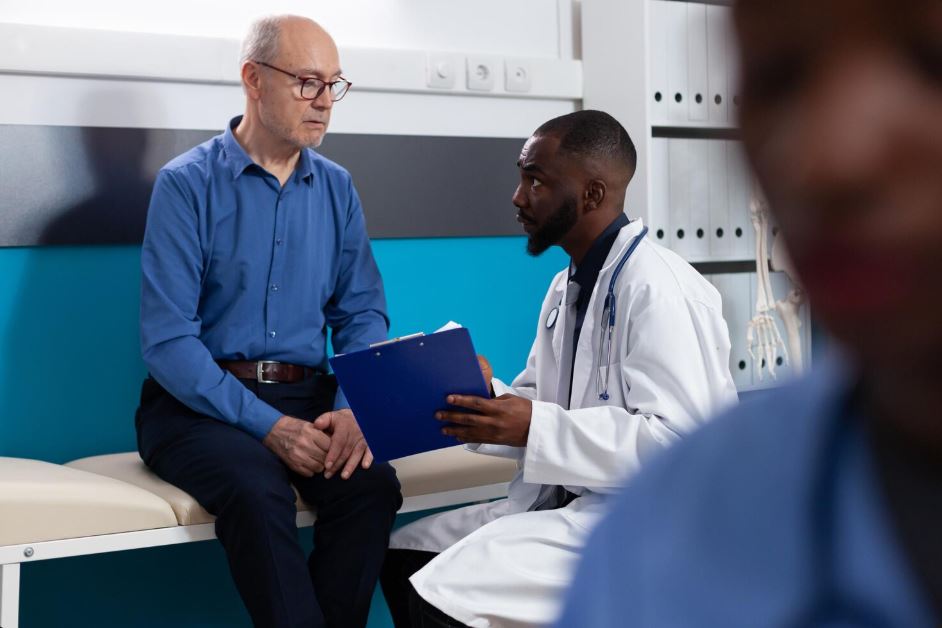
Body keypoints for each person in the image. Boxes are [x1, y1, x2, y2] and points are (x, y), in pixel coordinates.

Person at [557, 0, 942, 626]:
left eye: (931, 62)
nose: (827, 158)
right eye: (780, 75)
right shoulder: (669, 538)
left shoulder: (657, 284)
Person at [380, 110, 738, 627]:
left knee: (442, 593)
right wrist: (479, 395)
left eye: (536, 180)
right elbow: (540, 403)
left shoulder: (659, 289)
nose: (518, 196)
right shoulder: (565, 288)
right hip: (567, 505)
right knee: (407, 555)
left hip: (645, 524)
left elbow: (681, 450)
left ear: (591, 195)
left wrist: (534, 425)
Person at [135, 15, 402, 628]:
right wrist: (269, 425)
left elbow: (361, 313)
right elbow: (169, 343)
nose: (326, 102)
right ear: (253, 80)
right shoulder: (186, 184)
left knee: (373, 488)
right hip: (198, 407)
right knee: (258, 493)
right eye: (309, 82)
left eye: (335, 84)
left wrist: (353, 404)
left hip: (311, 396)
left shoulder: (337, 188)